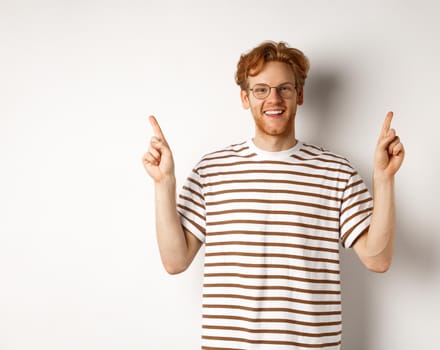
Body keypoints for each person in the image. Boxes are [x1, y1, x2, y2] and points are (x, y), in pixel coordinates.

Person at [142, 41, 405, 350]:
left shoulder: (337, 172)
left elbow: (378, 259)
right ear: (245, 97)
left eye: (284, 88)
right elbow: (175, 261)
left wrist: (384, 179)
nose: (274, 99)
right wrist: (164, 183)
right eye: (261, 90)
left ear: (300, 94)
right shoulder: (211, 170)